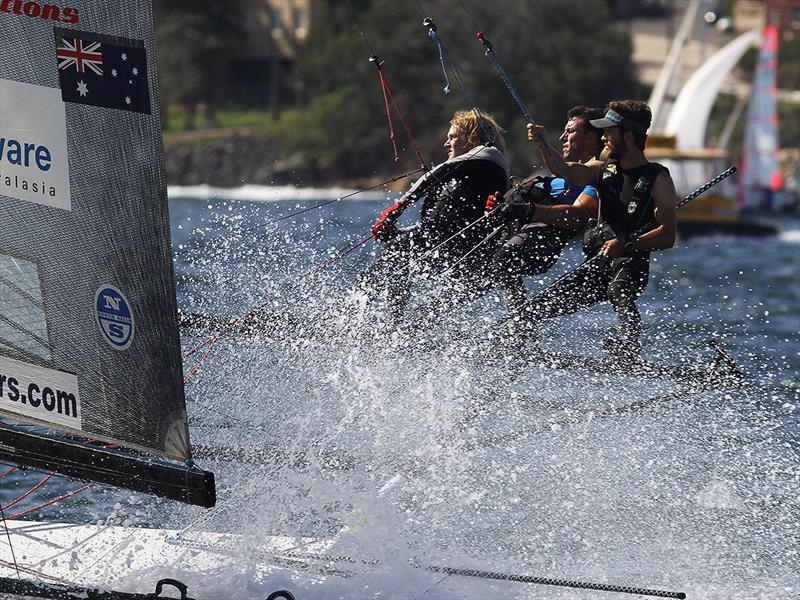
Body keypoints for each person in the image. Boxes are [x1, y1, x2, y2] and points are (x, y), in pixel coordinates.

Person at [521, 99, 677, 360]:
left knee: (618, 291)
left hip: (629, 264)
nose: (603, 137)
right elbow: (565, 170)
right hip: (598, 265)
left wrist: (626, 244)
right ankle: (515, 347)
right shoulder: (603, 169)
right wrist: (542, 144)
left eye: (609, 132)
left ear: (627, 136)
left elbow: (667, 236)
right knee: (534, 309)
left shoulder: (658, 178)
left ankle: (629, 346)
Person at [360, 109, 510, 322]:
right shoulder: (470, 170)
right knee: (397, 251)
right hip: (456, 252)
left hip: (471, 259)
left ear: (472, 138)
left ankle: (357, 310)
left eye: (452, 137)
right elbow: (437, 224)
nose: (446, 144)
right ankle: (395, 329)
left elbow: (436, 173)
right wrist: (394, 230)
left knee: (397, 247)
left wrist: (394, 211)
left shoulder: (489, 154)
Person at [487, 105, 605, 317]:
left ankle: (518, 329)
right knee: (481, 268)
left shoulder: (598, 174)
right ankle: (427, 319)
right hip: (518, 229)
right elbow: (556, 174)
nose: (562, 137)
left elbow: (577, 216)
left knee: (504, 257)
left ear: (589, 138)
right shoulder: (561, 175)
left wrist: (527, 209)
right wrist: (505, 201)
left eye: (570, 131)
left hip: (545, 237)